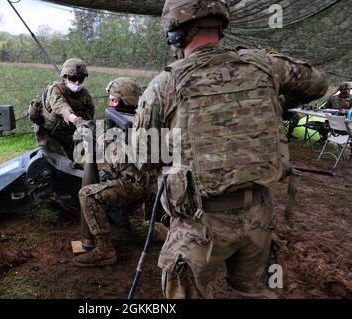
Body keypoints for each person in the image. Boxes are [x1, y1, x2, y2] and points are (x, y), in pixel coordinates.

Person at [131, 0, 329, 298]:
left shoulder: (165, 84)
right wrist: (273, 102)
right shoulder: (265, 66)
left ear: (175, 33)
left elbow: (143, 157)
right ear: (221, 26)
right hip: (259, 219)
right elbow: (318, 84)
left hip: (200, 225)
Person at [72, 77, 168, 268]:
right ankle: (171, 233)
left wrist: (91, 132)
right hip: (143, 184)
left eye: (114, 100)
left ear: (127, 101)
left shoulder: (131, 127)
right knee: (139, 229)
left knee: (88, 195)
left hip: (134, 185)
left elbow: (110, 148)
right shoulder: (142, 120)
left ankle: (104, 250)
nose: (110, 104)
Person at [29, 58, 95, 160]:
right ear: (65, 77)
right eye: (73, 79)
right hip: (49, 134)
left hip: (68, 135)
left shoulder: (85, 95)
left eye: (80, 79)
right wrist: (76, 120)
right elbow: (61, 106)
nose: (77, 83)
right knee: (60, 163)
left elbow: (89, 114)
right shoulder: (55, 89)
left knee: (75, 162)